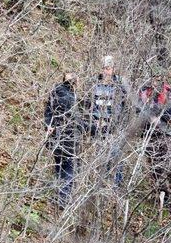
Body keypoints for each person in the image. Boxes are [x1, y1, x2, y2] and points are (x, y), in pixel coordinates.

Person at [137, 69, 171, 215]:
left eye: (158, 78)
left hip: (166, 134)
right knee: (155, 168)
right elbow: (140, 109)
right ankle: (162, 195)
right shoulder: (143, 91)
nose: (155, 81)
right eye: (153, 78)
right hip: (149, 133)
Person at [45, 73, 86, 208]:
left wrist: (48, 125)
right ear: (75, 82)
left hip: (55, 138)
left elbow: (48, 113)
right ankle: (63, 199)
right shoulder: (71, 98)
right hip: (69, 139)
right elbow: (77, 121)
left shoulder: (55, 92)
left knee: (59, 166)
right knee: (69, 169)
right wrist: (94, 128)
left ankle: (59, 195)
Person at [87, 55, 128, 186]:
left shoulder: (120, 83)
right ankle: (101, 185)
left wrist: (116, 123)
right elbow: (88, 104)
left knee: (116, 155)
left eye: (109, 68)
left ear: (113, 69)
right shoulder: (94, 83)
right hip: (97, 126)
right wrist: (93, 120)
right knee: (100, 156)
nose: (106, 71)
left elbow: (127, 106)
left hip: (114, 126)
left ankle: (116, 185)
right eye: (104, 68)